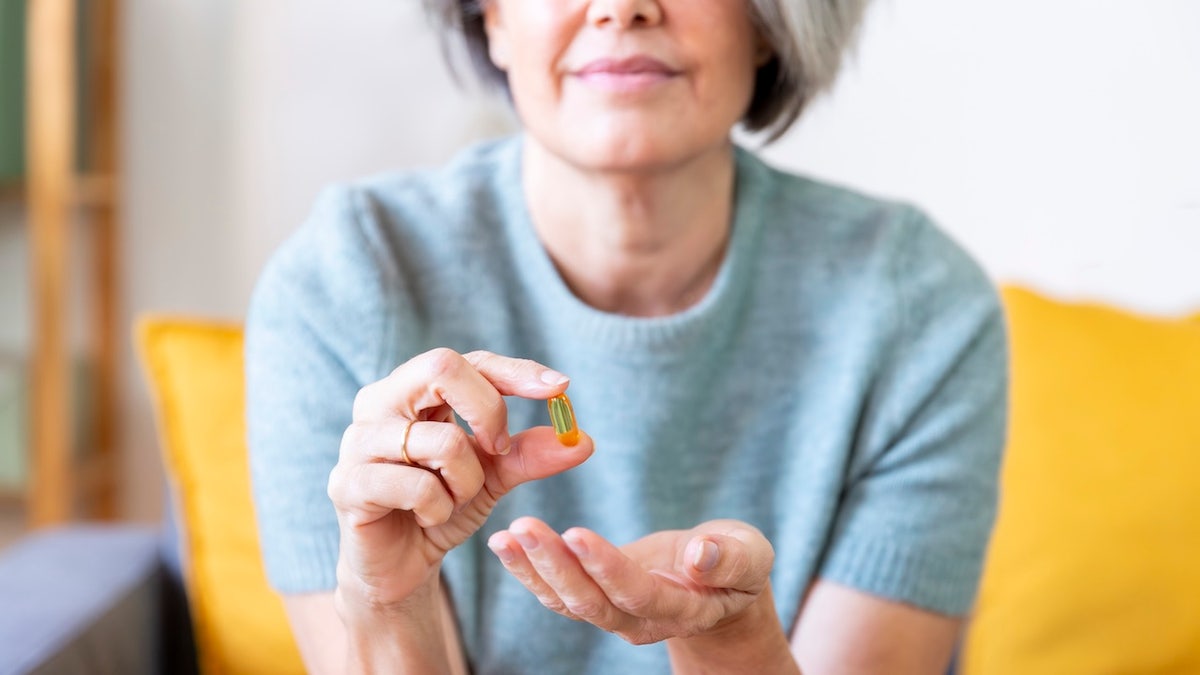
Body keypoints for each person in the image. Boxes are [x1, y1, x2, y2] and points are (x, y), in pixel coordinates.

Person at [245, 0, 1007, 673]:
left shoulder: (922, 310)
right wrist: (386, 604)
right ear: (494, 17)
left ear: (771, 21)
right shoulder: (339, 284)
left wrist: (731, 643)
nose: (621, 7)